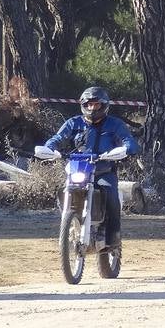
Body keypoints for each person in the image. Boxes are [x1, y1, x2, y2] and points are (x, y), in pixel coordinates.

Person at [44, 86, 140, 248]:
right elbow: (58, 137)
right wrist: (49, 148)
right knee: (63, 190)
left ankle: (113, 237)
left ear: (104, 106)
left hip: (104, 170)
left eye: (96, 105)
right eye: (89, 104)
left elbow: (128, 140)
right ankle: (69, 222)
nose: (92, 108)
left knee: (111, 196)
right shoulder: (73, 123)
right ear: (83, 105)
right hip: (79, 169)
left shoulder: (114, 124)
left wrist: (127, 149)